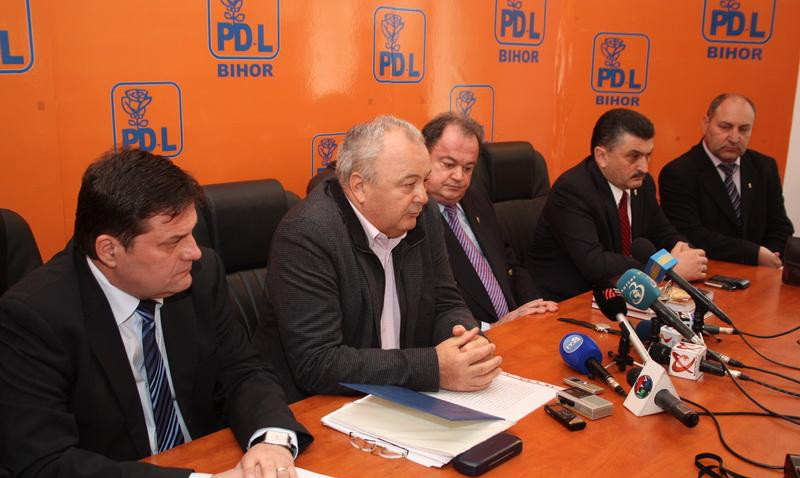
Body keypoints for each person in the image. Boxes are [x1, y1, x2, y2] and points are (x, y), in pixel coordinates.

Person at [0, 149, 312, 478]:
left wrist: (271, 440)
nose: (194, 252)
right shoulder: (35, 315)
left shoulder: (201, 275)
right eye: (172, 242)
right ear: (109, 250)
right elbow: (46, 470)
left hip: (214, 472)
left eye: (192, 232)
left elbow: (243, 371)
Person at [255, 115, 501, 396]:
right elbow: (318, 362)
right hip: (324, 403)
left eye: (424, 180)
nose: (422, 196)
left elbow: (446, 301)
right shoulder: (307, 234)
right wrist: (433, 367)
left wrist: (466, 342)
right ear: (359, 187)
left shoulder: (424, 215)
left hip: (405, 391)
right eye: (409, 184)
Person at [526, 108, 708, 302]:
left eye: (648, 155)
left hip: (621, 296)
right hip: (569, 301)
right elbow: (595, 264)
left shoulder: (642, 184)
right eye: (633, 156)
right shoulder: (572, 190)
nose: (644, 167)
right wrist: (663, 271)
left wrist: (684, 251)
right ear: (602, 157)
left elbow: (664, 232)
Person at [421, 112, 557, 328]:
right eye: (448, 164)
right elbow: (429, 305)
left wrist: (533, 306)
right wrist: (492, 328)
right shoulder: (413, 219)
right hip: (471, 335)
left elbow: (511, 264)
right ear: (422, 156)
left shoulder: (476, 199)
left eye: (468, 168)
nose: (459, 177)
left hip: (517, 327)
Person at [659, 94, 794, 267]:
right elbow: (690, 235)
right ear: (706, 124)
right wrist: (754, 254)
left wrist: (771, 256)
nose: (734, 138)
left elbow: (781, 227)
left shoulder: (764, 166)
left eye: (744, 129)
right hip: (709, 273)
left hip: (762, 273)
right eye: (725, 127)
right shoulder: (679, 172)